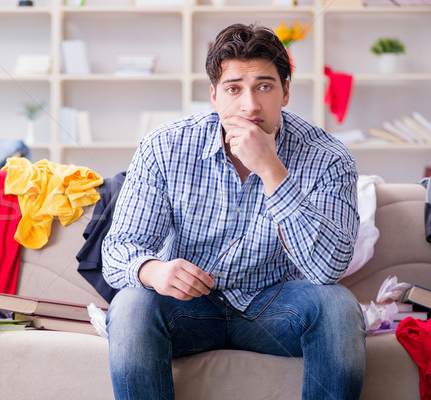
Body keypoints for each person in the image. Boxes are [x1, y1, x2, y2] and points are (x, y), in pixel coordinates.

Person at [101, 23, 366, 400]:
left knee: (338, 306)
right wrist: (153, 270)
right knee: (130, 305)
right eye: (233, 89)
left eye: (264, 86)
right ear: (213, 96)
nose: (250, 105)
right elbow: (118, 249)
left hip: (276, 308)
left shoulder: (328, 158)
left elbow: (329, 269)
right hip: (188, 309)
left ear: (286, 91)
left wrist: (272, 170)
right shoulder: (164, 147)